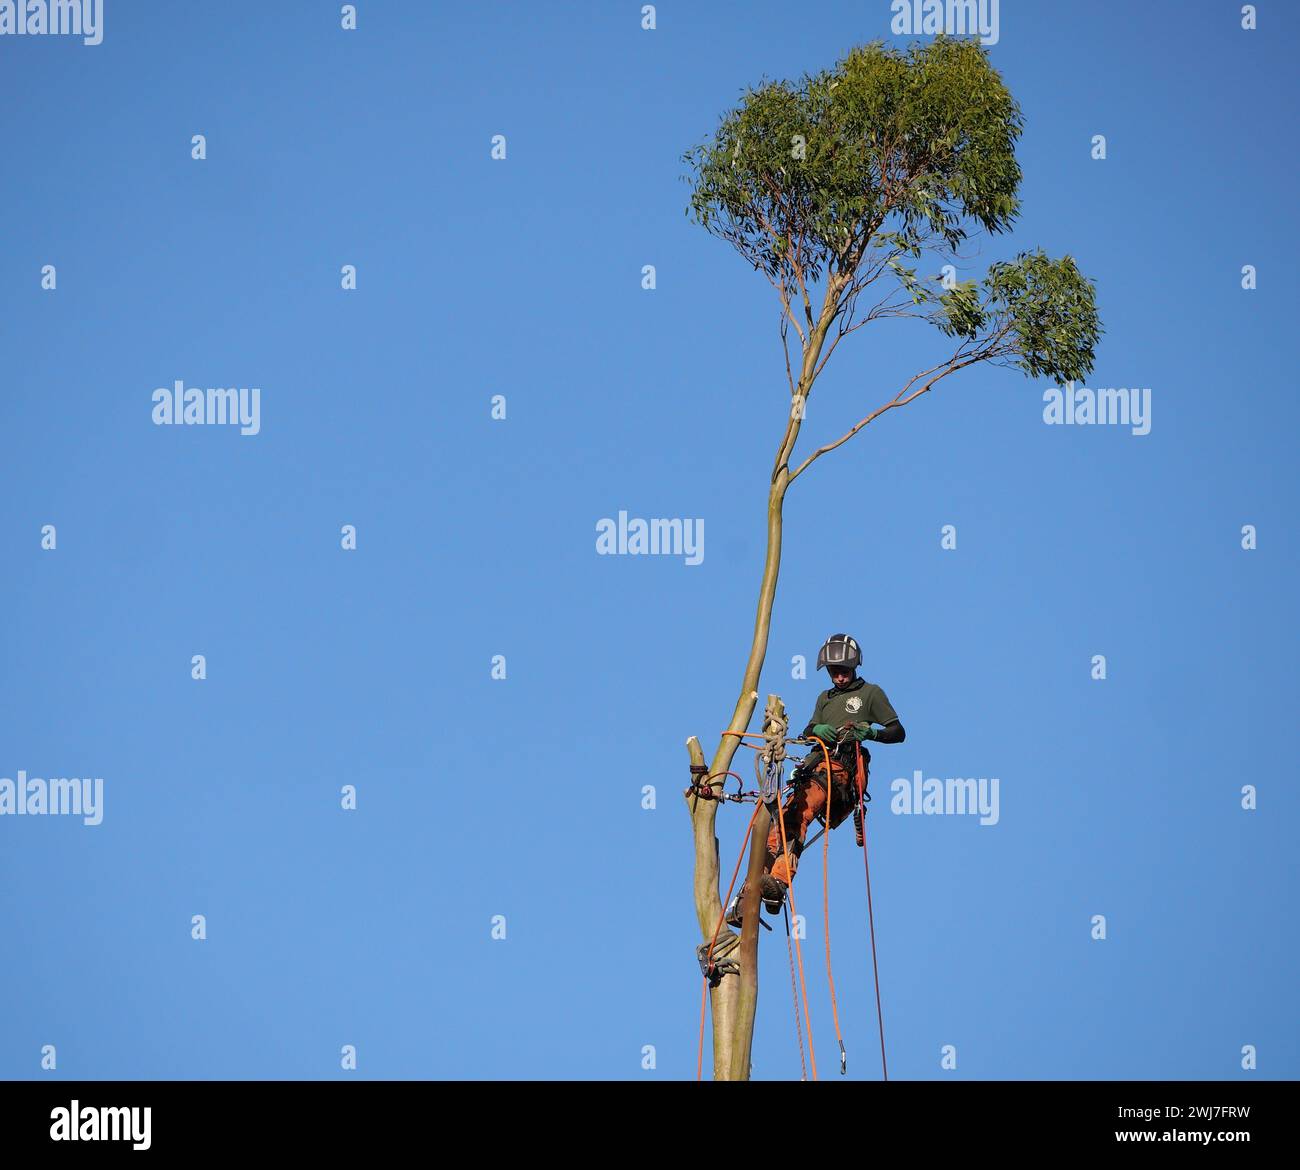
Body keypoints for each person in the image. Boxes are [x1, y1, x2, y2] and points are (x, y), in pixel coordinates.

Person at [728, 633, 905, 926]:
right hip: (814, 767)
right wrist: (816, 730)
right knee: (780, 822)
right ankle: (756, 894)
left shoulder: (871, 694)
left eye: (843, 670)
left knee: (796, 814)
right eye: (833, 671)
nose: (838, 676)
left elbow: (898, 732)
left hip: (840, 772)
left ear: (855, 667)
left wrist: (871, 732)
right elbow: (809, 729)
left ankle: (779, 882)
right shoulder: (825, 698)